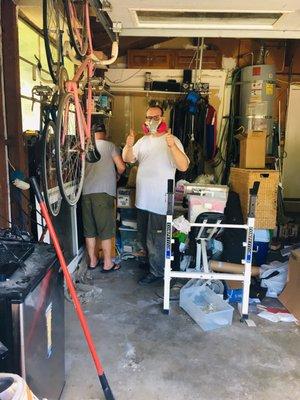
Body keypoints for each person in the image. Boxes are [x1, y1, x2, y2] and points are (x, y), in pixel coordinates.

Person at [122, 106, 189, 284]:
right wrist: (129, 145)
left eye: (155, 117)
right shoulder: (143, 141)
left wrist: (172, 146)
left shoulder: (172, 140)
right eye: (148, 117)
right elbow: (128, 159)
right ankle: (152, 263)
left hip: (160, 201)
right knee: (144, 237)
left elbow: (183, 166)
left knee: (157, 240)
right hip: (143, 200)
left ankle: (157, 271)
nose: (151, 120)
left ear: (163, 118)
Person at [82, 123, 125, 272]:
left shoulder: (86, 146)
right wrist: (117, 174)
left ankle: (92, 261)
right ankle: (107, 263)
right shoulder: (110, 146)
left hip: (86, 193)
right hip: (104, 193)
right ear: (105, 133)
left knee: (90, 230)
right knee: (106, 230)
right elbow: (121, 167)